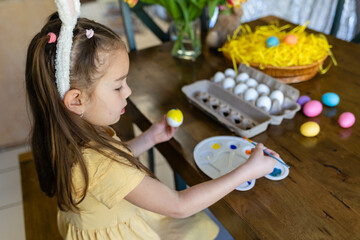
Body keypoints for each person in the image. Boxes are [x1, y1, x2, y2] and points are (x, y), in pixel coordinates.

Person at [25, 9, 277, 240]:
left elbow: (104, 171)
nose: (128, 91)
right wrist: (247, 171)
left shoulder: (62, 127)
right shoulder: (100, 161)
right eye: (117, 86)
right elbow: (179, 205)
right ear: (76, 100)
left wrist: (149, 138)